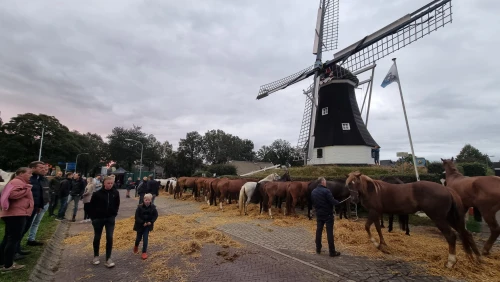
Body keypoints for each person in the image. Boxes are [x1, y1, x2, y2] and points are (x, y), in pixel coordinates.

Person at [0, 167, 34, 271]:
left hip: (14, 214)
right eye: (29, 173)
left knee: (8, 238)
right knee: (13, 239)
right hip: (16, 214)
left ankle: (2, 262)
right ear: (21, 173)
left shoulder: (17, 181)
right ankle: (8, 265)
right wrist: (27, 188)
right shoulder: (17, 181)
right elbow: (13, 195)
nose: (31, 175)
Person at [88, 176, 120, 268]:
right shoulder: (97, 194)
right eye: (108, 183)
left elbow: (117, 204)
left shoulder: (115, 193)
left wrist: (114, 214)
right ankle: (96, 256)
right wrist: (93, 218)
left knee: (109, 237)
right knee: (97, 237)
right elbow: (91, 206)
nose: (110, 185)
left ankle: (108, 258)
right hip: (98, 219)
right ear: (104, 183)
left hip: (110, 219)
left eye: (111, 183)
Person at [311, 177, 341, 257]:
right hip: (328, 214)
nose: (326, 183)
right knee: (329, 233)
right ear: (322, 182)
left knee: (319, 231)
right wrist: (338, 202)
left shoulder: (313, 191)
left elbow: (313, 202)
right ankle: (332, 252)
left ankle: (318, 248)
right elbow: (332, 201)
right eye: (325, 181)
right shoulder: (327, 191)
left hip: (319, 213)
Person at [26, 163, 50, 246]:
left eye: (45, 169)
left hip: (41, 204)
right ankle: (15, 248)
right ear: (33, 168)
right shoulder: (30, 179)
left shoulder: (43, 179)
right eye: (41, 168)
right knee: (25, 226)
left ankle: (31, 239)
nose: (44, 170)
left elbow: (44, 191)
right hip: (31, 206)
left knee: (36, 222)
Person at [133, 193, 158, 260]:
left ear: (151, 200)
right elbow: (136, 217)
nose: (147, 201)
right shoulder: (139, 207)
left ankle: (144, 252)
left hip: (147, 226)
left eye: (148, 200)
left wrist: (151, 222)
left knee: (145, 239)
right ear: (143, 200)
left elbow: (155, 216)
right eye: (145, 200)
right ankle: (136, 246)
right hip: (140, 225)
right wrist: (142, 222)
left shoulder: (153, 208)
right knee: (138, 238)